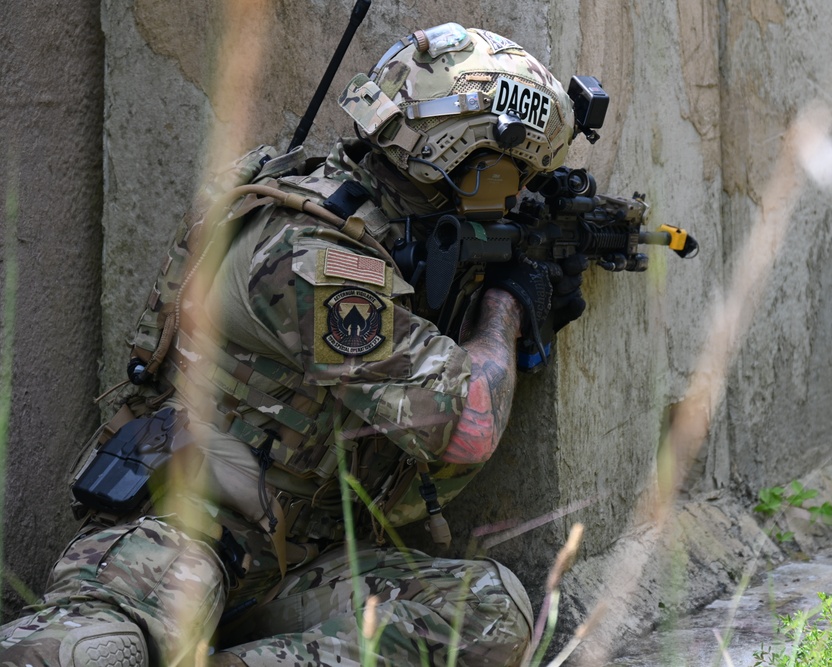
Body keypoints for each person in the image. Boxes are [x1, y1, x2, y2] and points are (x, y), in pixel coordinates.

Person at [0, 22, 588, 667]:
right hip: (185, 539)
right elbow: (465, 426)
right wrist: (505, 305)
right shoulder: (311, 254)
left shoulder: (376, 224)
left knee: (488, 613)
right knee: (95, 649)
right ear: (453, 155)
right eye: (505, 179)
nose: (509, 204)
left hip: (297, 565)